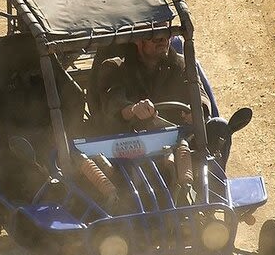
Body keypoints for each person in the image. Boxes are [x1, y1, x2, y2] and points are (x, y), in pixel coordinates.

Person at [93, 32, 233, 168]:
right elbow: (113, 103)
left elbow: (200, 93)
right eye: (155, 38)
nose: (163, 40)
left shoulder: (181, 64)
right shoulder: (114, 67)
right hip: (130, 144)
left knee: (219, 126)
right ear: (138, 40)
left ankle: (215, 187)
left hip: (177, 140)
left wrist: (197, 109)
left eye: (167, 35)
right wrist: (133, 109)